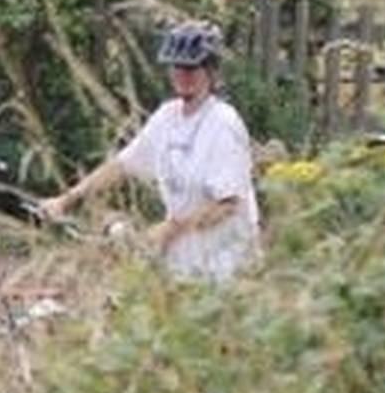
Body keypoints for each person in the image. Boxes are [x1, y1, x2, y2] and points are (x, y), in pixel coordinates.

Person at [38, 20, 260, 283]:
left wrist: (169, 229)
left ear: (210, 71)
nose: (183, 74)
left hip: (225, 268)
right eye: (177, 66)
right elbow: (122, 165)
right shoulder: (167, 117)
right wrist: (67, 200)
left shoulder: (223, 123)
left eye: (191, 67)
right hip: (180, 267)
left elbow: (227, 204)